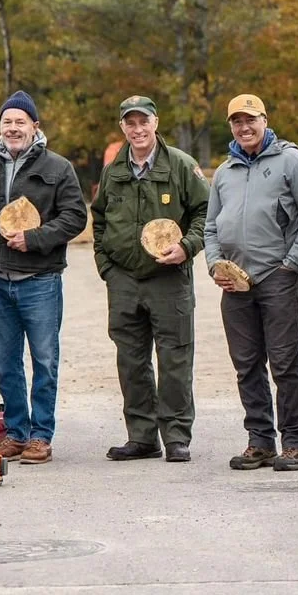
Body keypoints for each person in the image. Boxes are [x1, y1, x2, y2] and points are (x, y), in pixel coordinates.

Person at [204, 94, 298, 471]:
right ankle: (260, 441)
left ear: (265, 120)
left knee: (284, 363)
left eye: (251, 119)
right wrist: (214, 266)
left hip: (278, 278)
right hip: (234, 284)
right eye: (237, 121)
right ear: (231, 127)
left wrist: (292, 263)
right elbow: (209, 227)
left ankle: (295, 443)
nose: (245, 127)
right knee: (246, 365)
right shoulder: (224, 173)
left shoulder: (291, 162)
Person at [0, 91, 87, 465]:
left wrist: (34, 239)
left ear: (35, 126)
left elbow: (75, 217)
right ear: (0, 127)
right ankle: (17, 433)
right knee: (5, 362)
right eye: (8, 122)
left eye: (21, 122)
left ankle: (41, 436)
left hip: (40, 279)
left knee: (44, 360)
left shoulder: (58, 167)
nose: (13, 128)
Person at [91, 96, 208, 463]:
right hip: (123, 279)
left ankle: (175, 436)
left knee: (174, 359)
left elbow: (207, 213)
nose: (137, 129)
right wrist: (106, 268)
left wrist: (187, 247)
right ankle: (141, 436)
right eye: (130, 123)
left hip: (168, 277)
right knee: (131, 360)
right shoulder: (113, 170)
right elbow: (99, 220)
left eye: (144, 122)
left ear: (156, 122)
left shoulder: (182, 166)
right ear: (122, 127)